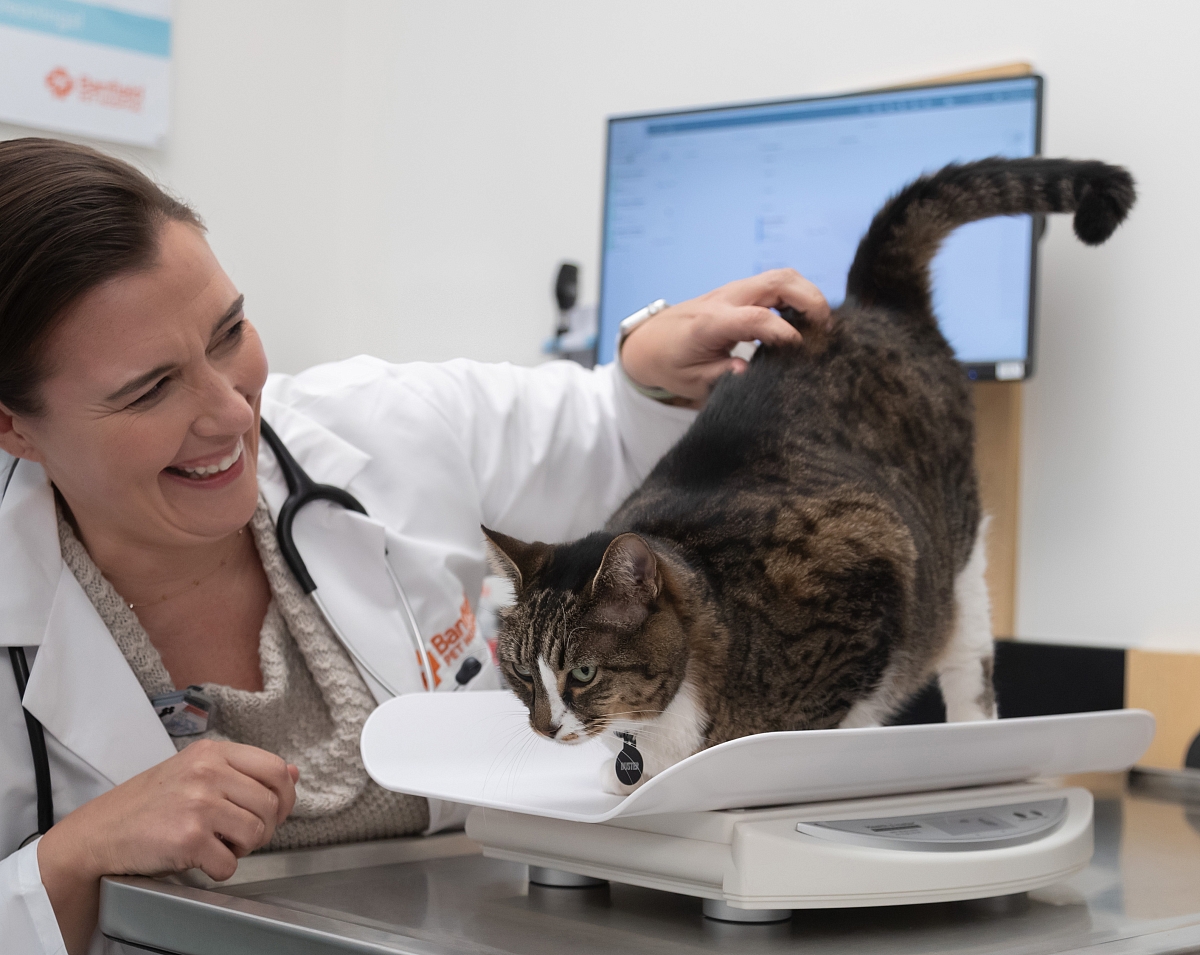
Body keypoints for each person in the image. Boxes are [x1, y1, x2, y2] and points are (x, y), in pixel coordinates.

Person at [0, 137, 829, 955]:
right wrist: (75, 853)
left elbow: (611, 431)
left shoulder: (377, 426)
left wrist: (646, 372)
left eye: (229, 332)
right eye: (150, 388)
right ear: (14, 427)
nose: (230, 414)